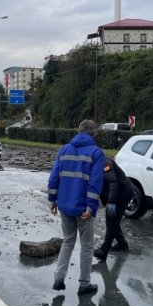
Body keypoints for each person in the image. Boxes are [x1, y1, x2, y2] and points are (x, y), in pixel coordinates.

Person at [48, 119, 105, 296]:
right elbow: (95, 183)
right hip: (83, 209)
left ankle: (59, 278)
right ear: (94, 133)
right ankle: (84, 284)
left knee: (67, 241)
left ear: (78, 131)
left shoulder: (64, 150)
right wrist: (91, 206)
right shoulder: (96, 153)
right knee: (87, 246)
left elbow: (54, 176)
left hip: (64, 206)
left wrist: (52, 199)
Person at [93, 157, 133, 262]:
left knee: (111, 221)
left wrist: (111, 202)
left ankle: (104, 251)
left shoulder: (105, 162)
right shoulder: (91, 163)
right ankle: (122, 244)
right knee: (112, 220)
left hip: (123, 191)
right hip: (112, 193)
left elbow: (112, 182)